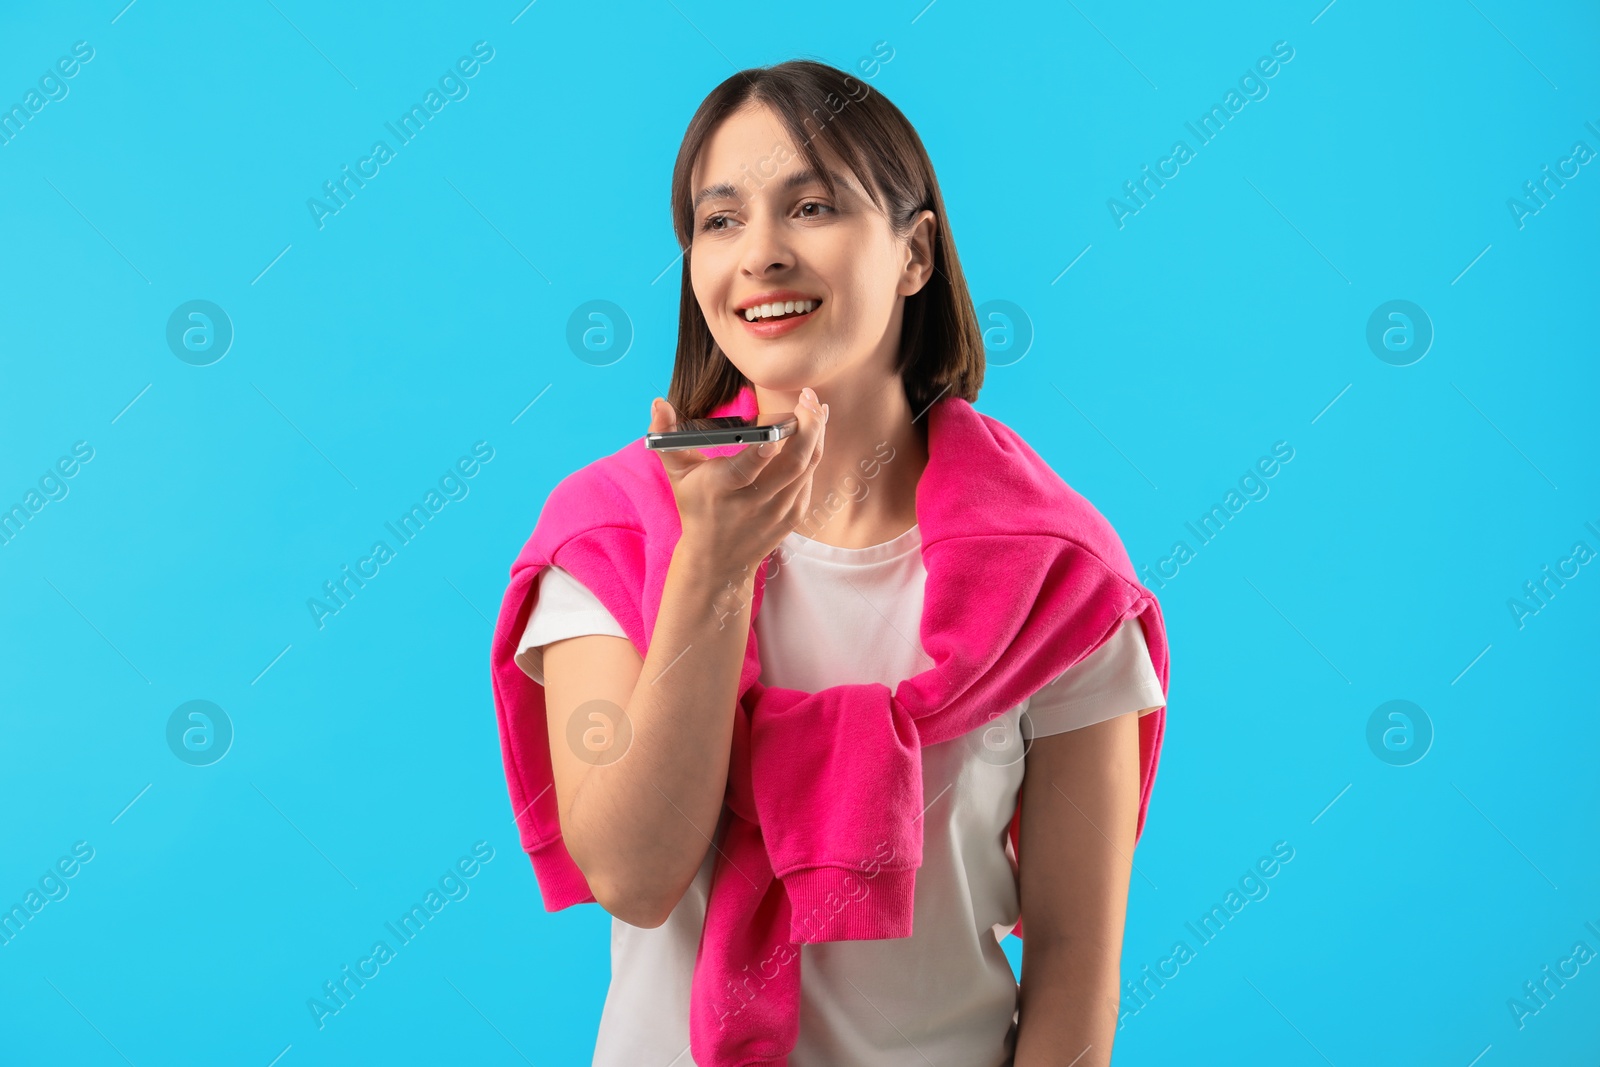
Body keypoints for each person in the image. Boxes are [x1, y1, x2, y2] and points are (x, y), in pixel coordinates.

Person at [515, 60, 1166, 1066]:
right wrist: (712, 571)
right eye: (720, 219)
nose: (760, 255)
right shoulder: (610, 533)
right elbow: (635, 873)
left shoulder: (1058, 579)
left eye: (810, 205)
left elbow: (1076, 961)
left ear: (913, 255)